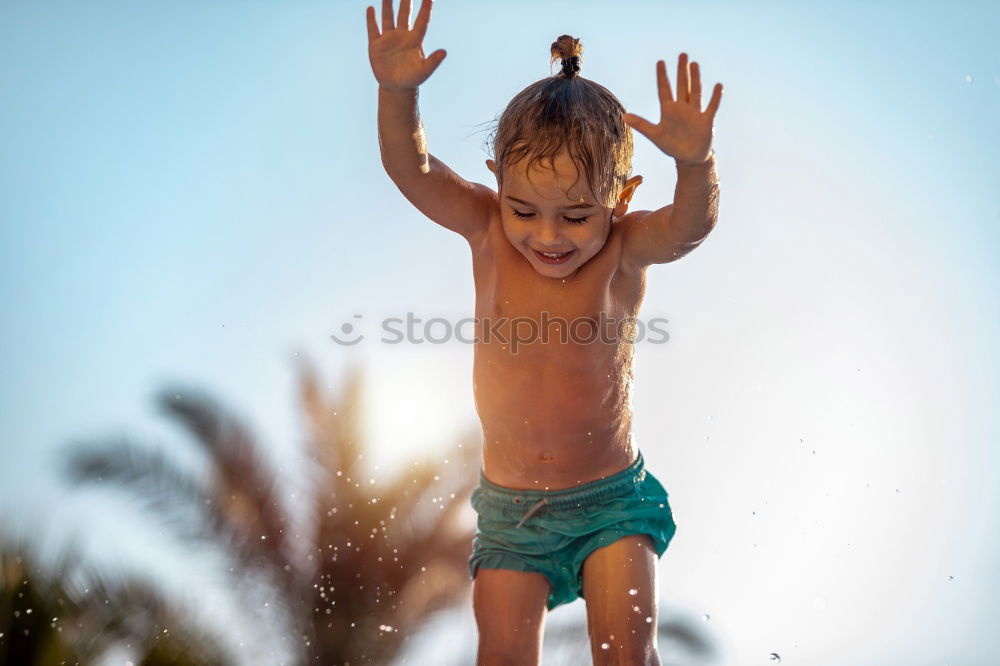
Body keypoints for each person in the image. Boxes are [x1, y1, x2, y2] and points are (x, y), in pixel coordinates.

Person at [366, 1, 723, 664]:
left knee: (624, 656)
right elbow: (409, 168)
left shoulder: (628, 246)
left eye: (578, 216)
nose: (547, 236)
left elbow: (690, 226)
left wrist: (697, 167)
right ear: (497, 183)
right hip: (512, 513)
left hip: (610, 501)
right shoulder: (484, 225)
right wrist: (396, 92)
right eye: (523, 209)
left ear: (620, 198)